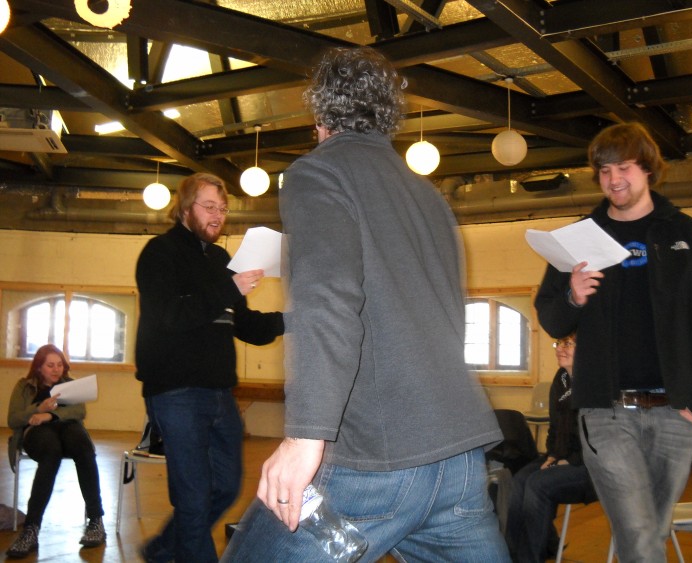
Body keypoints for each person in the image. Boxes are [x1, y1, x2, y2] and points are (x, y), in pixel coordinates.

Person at [221, 46, 509, 562]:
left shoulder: (318, 173)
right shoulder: (428, 196)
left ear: (319, 118)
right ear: (387, 115)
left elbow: (328, 301)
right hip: (458, 457)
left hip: (374, 464)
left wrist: (304, 437)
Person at [534, 122, 692, 563]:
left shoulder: (685, 234)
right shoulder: (580, 237)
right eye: (603, 171)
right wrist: (573, 295)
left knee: (648, 535)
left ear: (647, 169)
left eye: (623, 167)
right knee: (640, 534)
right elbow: (550, 317)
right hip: (606, 412)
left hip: (675, 413)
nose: (613, 179)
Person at [135, 172, 285, 563]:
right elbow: (171, 316)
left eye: (223, 208)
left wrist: (294, 319)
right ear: (185, 208)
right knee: (193, 495)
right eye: (209, 206)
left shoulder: (221, 260)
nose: (218, 215)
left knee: (227, 485)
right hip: (175, 392)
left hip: (219, 392)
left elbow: (245, 325)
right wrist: (229, 288)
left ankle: (165, 548)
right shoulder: (159, 253)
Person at [6, 344, 106, 558]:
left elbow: (80, 410)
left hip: (66, 428)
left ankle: (96, 520)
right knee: (51, 452)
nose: (56, 369)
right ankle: (31, 529)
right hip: (36, 433)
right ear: (39, 367)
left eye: (59, 365)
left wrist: (50, 415)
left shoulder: (69, 384)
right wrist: (38, 410)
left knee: (83, 447)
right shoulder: (24, 386)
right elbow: (13, 418)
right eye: (50, 365)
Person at [505, 334, 597, 563]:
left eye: (568, 344)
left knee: (537, 484)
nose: (559, 349)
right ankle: (511, 555)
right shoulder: (561, 379)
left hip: (591, 466)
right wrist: (553, 455)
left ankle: (530, 558)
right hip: (563, 456)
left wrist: (569, 460)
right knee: (519, 480)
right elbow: (555, 427)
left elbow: (597, 438)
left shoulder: (595, 383)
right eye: (558, 343)